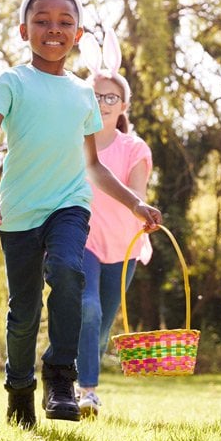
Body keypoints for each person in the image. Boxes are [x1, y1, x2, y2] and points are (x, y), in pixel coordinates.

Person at [0, 0, 161, 430]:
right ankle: (18, 388)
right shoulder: (10, 83)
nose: (53, 29)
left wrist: (136, 203)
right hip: (18, 212)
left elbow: (93, 167)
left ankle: (61, 375)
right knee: (23, 313)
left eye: (63, 22)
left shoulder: (82, 94)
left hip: (69, 208)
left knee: (71, 274)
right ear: (23, 30)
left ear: (77, 34)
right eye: (42, 20)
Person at [74, 28, 153, 419]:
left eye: (112, 97)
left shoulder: (134, 148)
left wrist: (144, 213)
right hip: (83, 239)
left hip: (123, 247)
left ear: (124, 105)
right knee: (86, 307)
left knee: (103, 324)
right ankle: (86, 390)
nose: (103, 103)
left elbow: (136, 194)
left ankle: (78, 367)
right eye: (96, 95)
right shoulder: (73, 140)